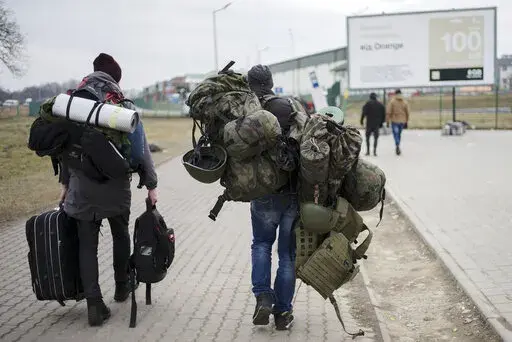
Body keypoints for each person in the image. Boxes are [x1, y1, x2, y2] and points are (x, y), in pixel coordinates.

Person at [59, 53, 158, 327]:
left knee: (87, 245)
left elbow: (65, 148)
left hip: (81, 188)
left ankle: (94, 305)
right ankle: (121, 286)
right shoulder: (123, 106)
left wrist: (65, 185)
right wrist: (151, 185)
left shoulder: (74, 104)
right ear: (116, 79)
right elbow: (140, 151)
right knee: (120, 235)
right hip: (115, 187)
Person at [246, 64, 299, 331]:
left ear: (249, 84)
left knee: (261, 245)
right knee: (288, 255)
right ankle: (282, 313)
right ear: (270, 82)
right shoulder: (286, 107)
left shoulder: (246, 110)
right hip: (291, 193)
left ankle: (263, 296)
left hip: (262, 193)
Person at [386, 89, 409, 155]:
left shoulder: (392, 102)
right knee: (399, 134)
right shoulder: (404, 102)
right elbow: (407, 112)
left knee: (395, 134)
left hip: (394, 120)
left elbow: (388, 112)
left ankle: (397, 144)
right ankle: (398, 144)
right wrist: (407, 121)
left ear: (395, 94)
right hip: (402, 121)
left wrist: (387, 121)